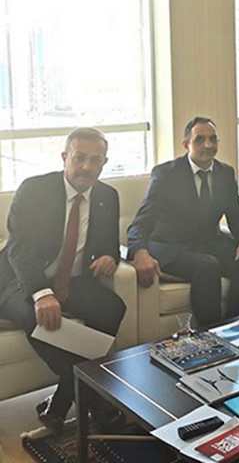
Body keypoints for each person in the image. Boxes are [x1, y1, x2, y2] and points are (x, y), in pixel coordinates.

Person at [0, 128, 126, 432]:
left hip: (73, 280)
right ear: (64, 157)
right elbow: (19, 250)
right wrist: (42, 293)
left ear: (104, 163)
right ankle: (95, 399)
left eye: (95, 160)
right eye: (79, 158)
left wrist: (110, 258)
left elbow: (111, 246)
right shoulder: (34, 190)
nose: (86, 166)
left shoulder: (107, 196)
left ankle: (62, 401)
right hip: (20, 280)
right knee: (39, 316)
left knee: (113, 307)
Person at [127, 116, 239, 326]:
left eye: (213, 139)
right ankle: (210, 334)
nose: (208, 145)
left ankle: (236, 328)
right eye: (200, 139)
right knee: (207, 266)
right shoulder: (166, 174)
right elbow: (142, 221)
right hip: (168, 245)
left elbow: (236, 215)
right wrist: (139, 252)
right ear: (186, 144)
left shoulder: (225, 173)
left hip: (207, 242)